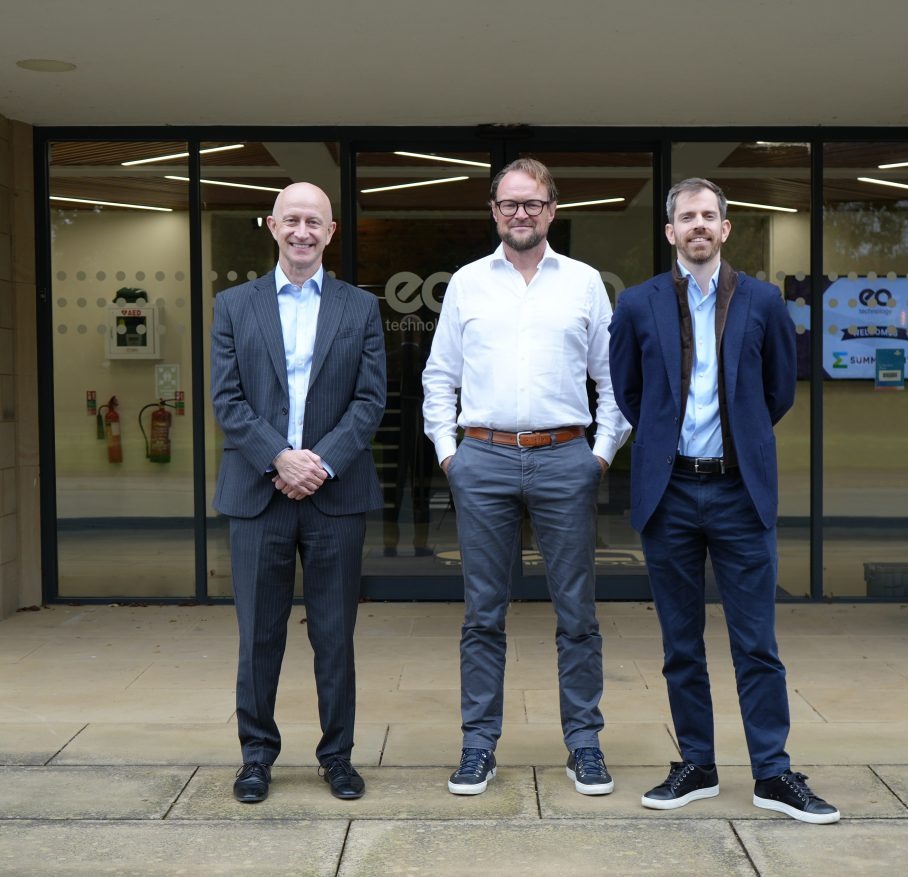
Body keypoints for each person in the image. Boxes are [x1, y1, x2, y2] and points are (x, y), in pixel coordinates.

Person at [608, 178, 839, 823]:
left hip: (740, 493)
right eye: (688, 217)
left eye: (710, 215)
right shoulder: (636, 304)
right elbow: (630, 391)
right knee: (681, 644)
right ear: (670, 231)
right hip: (672, 491)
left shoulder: (763, 302)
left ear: (726, 229)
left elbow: (778, 393)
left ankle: (773, 772)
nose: (700, 226)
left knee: (756, 644)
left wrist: (737, 443)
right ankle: (697, 766)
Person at [423, 157, 630, 797]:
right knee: (483, 614)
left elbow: (612, 379)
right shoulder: (466, 283)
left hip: (565, 457)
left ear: (551, 209)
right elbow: (439, 377)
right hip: (481, 459)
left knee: (578, 614)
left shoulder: (586, 283)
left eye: (532, 204)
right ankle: (478, 747)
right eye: (509, 203)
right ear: (493, 211)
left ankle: (585, 745)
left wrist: (599, 453)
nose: (521, 213)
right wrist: (447, 453)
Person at [210, 182, 386, 804]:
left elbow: (370, 402)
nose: (303, 231)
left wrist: (321, 463)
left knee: (334, 634)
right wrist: (278, 458)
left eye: (315, 221)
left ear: (331, 232)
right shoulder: (233, 305)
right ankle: (256, 756)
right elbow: (226, 399)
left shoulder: (360, 308)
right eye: (292, 220)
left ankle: (337, 757)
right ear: (271, 225)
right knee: (259, 634)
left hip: (335, 496)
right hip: (259, 493)